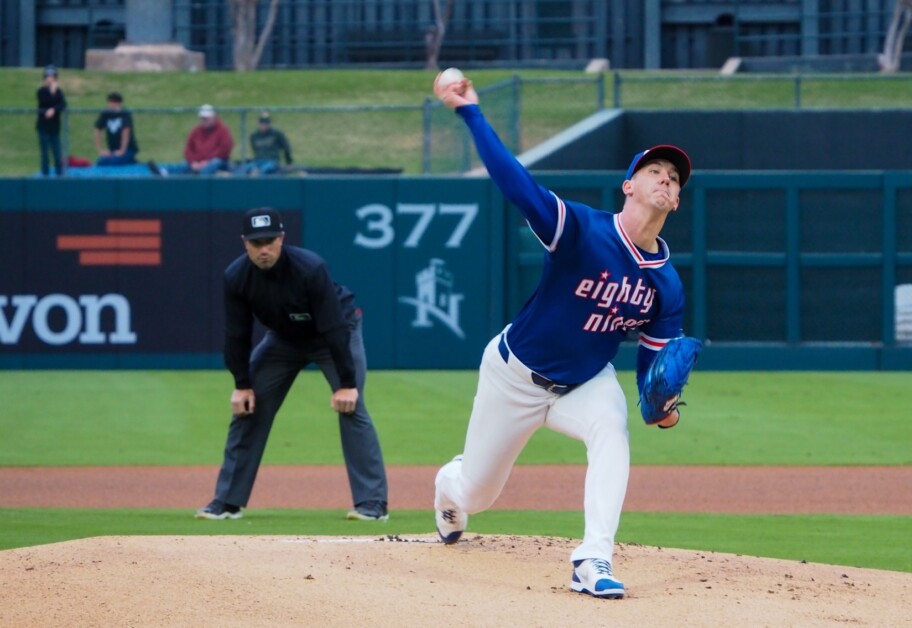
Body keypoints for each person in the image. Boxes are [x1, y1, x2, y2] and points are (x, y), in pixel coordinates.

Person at [432, 73, 693, 599]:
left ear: (678, 201)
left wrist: (661, 407)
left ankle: (593, 559)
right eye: (654, 171)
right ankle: (448, 487)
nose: (666, 180)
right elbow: (516, 184)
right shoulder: (581, 230)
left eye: (674, 178)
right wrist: (471, 113)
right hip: (515, 376)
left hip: (584, 381)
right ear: (629, 185)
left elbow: (654, 365)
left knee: (612, 434)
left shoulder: (666, 282)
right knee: (477, 493)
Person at [196, 207, 390, 522]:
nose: (263, 249)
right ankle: (228, 501)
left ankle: (372, 503)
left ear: (282, 239)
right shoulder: (236, 276)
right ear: (245, 243)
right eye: (256, 243)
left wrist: (347, 384)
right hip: (284, 340)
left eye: (270, 241)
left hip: (335, 334)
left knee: (351, 408)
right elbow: (237, 335)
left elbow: (333, 327)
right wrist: (241, 385)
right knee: (249, 406)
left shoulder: (310, 268)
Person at [151, 104, 234, 175]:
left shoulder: (222, 130)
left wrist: (207, 161)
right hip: (197, 161)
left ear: (213, 117)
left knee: (215, 163)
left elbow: (224, 149)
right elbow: (189, 149)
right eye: (202, 118)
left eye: (206, 118)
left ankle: (201, 181)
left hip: (216, 161)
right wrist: (193, 162)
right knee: (184, 165)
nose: (204, 121)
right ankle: (164, 172)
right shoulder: (196, 131)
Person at [234, 111, 293, 176]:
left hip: (272, 161)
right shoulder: (254, 136)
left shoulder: (277, 134)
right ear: (258, 123)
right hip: (257, 161)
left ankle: (257, 177)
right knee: (242, 170)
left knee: (265, 170)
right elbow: (255, 150)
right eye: (262, 123)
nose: (263, 126)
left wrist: (288, 162)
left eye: (265, 124)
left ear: (269, 123)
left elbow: (286, 148)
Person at [36, 64, 67, 176]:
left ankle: (59, 176)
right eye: (48, 76)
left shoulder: (59, 91)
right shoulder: (41, 91)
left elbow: (63, 104)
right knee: (45, 154)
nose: (50, 78)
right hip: (43, 127)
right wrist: (52, 94)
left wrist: (54, 109)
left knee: (57, 154)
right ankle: (45, 175)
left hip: (55, 128)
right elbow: (45, 102)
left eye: (52, 76)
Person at [93, 92, 139, 166]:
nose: (112, 104)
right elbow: (97, 130)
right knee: (102, 162)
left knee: (114, 162)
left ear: (120, 103)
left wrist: (122, 150)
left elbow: (126, 132)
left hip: (128, 149)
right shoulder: (105, 114)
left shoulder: (125, 114)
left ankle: (132, 161)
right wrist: (101, 150)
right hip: (112, 149)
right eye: (110, 101)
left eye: (115, 102)